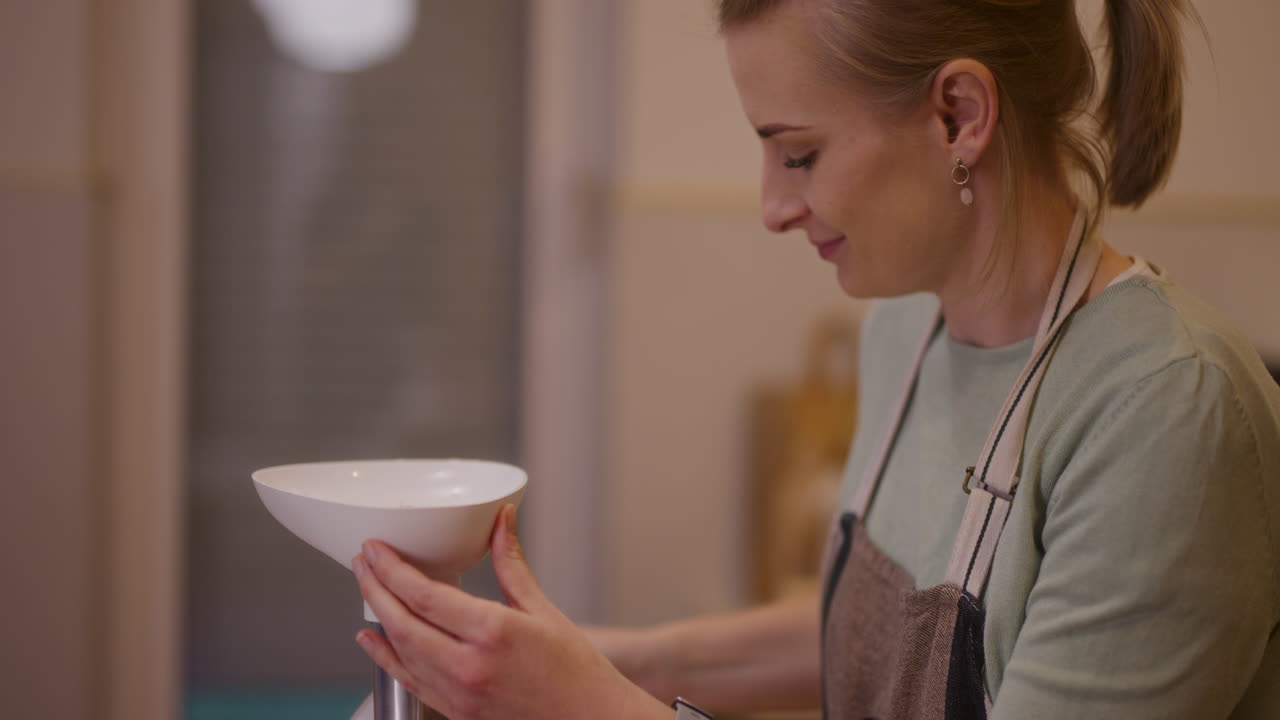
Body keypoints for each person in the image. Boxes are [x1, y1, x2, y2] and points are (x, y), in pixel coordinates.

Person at [349, 0, 1280, 717]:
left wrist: (589, 702)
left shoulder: (1167, 412)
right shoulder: (905, 332)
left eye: (797, 154)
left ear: (960, 116)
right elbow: (892, 623)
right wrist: (591, 660)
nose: (772, 207)